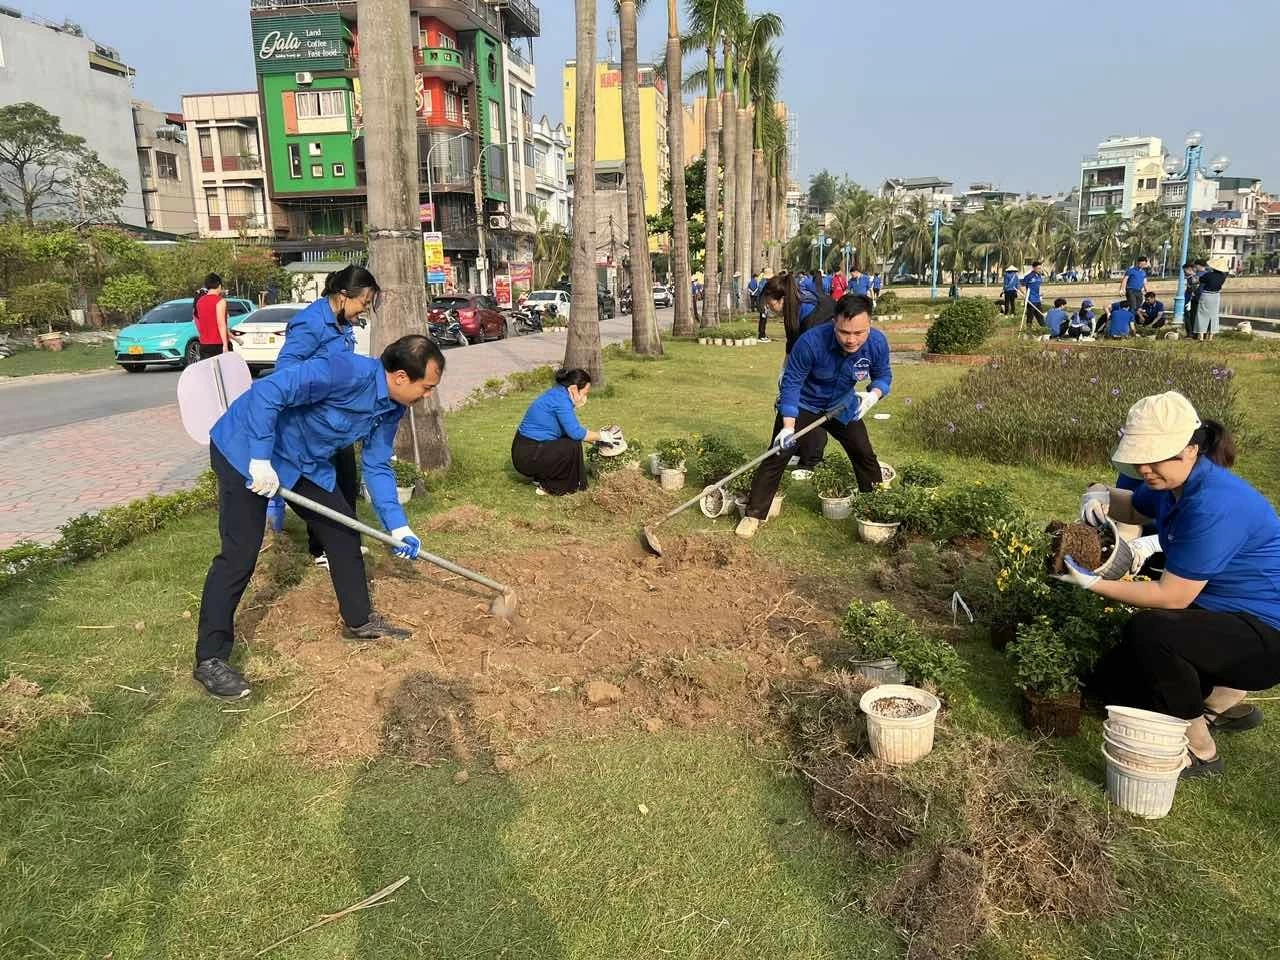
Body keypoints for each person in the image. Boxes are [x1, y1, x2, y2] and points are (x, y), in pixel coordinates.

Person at [193, 335, 445, 700]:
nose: (428, 396)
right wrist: (261, 458)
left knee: (344, 533)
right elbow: (269, 392)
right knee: (239, 554)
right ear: (402, 376)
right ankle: (210, 659)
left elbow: (375, 464)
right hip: (246, 448)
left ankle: (359, 621)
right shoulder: (343, 370)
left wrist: (398, 525)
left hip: (301, 462)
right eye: (427, 387)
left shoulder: (392, 407)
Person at [1064, 391, 1280, 777]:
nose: (1145, 468)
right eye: (1140, 458)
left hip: (1264, 635)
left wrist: (1091, 583)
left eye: (1156, 457)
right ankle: (1219, 702)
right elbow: (1133, 505)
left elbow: (1171, 597)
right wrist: (1098, 494)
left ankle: (1200, 749)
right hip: (1221, 612)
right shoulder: (1174, 484)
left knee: (1151, 631)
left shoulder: (1213, 502)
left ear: (1191, 449)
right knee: (1114, 688)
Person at [735, 293, 890, 539]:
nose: (851, 340)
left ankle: (877, 509)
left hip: (842, 405)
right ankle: (753, 515)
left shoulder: (877, 343)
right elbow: (791, 384)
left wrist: (874, 395)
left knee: (864, 454)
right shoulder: (810, 342)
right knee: (777, 454)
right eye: (844, 332)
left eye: (858, 333)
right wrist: (787, 427)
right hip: (805, 404)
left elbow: (883, 375)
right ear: (834, 323)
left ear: (869, 324)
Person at [273, 264, 381, 567]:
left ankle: (346, 542)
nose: (364, 310)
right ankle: (321, 548)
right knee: (323, 484)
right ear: (344, 296)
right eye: (363, 303)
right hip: (311, 421)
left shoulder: (341, 323)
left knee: (346, 479)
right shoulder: (310, 323)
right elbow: (286, 369)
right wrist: (318, 387)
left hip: (336, 419)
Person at [511, 368, 622, 496]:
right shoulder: (561, 401)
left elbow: (569, 430)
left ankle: (543, 477)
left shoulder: (558, 393)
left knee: (570, 443)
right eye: (585, 393)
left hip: (529, 449)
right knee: (570, 446)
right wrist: (603, 436)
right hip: (527, 454)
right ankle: (549, 486)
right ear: (574, 389)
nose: (585, 397)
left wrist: (596, 440)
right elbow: (575, 433)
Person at [193, 273, 230, 359]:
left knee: (209, 371)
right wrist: (225, 345)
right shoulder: (220, 301)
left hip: (204, 344)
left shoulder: (199, 302)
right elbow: (221, 324)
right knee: (224, 371)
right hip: (218, 343)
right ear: (219, 285)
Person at [1193, 258, 1227, 341]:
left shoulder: (1208, 275)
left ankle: (1201, 336)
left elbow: (1197, 281)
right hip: (1216, 296)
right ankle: (1211, 336)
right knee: (1214, 316)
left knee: (1201, 315)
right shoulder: (1223, 277)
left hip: (1206, 295)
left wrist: (1194, 277)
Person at [1021, 261, 1045, 326]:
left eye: (1040, 268)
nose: (1040, 270)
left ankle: (1044, 330)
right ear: (1034, 268)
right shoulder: (1029, 276)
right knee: (1030, 317)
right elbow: (1021, 286)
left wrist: (1041, 294)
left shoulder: (1039, 276)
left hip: (1038, 299)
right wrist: (1025, 295)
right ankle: (1028, 331)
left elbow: (1039, 287)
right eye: (1038, 268)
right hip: (1031, 300)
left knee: (1040, 317)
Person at [1182, 262, 1200, 337]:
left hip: (1190, 300)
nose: (1184, 273)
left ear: (1189, 269)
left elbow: (1194, 291)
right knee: (1190, 316)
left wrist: (1189, 301)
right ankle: (1192, 333)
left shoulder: (1193, 278)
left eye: (1184, 271)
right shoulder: (1192, 278)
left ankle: (1191, 333)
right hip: (1189, 299)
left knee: (1189, 316)